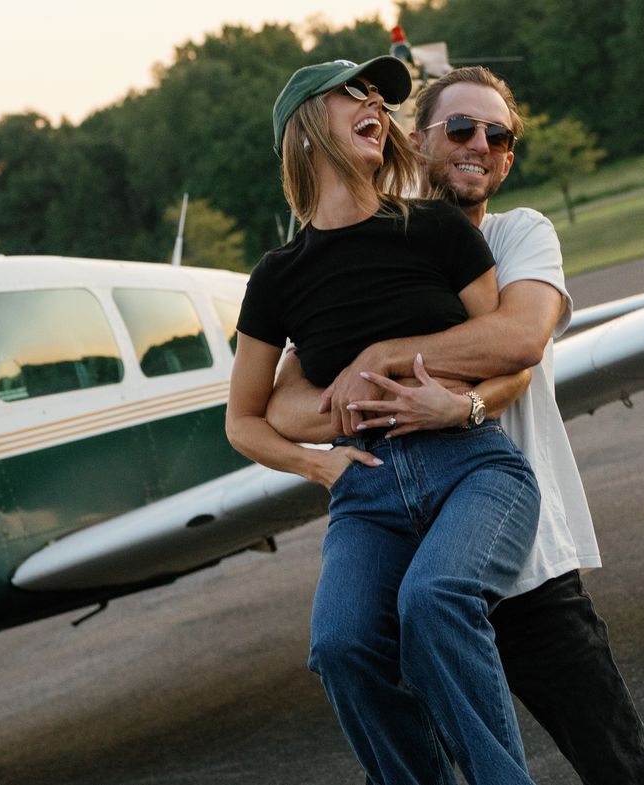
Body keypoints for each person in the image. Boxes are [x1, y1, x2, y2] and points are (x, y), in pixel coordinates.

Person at [266, 65, 644, 785]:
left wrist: (416, 377)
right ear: (417, 140)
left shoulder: (521, 234)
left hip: (526, 562)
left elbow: (518, 340)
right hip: (408, 559)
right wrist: (357, 406)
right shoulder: (374, 243)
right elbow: (288, 400)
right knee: (386, 720)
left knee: (623, 770)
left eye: (500, 136)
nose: (481, 145)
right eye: (460, 128)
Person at [225, 56, 543, 785]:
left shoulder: (435, 230)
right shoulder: (279, 277)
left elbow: (509, 353)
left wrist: (452, 397)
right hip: (364, 492)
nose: (375, 101)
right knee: (339, 646)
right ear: (305, 131)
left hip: (472, 466)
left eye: (380, 95)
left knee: (432, 601)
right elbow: (245, 418)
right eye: (352, 94)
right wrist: (323, 465)